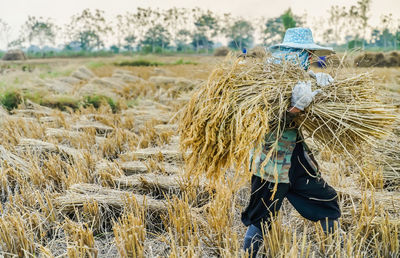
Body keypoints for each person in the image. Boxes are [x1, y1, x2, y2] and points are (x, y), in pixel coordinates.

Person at [241, 27, 341, 257]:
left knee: (328, 202)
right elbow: (266, 121)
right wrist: (296, 108)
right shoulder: (266, 82)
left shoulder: (299, 77)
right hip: (270, 162)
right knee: (261, 216)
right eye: (306, 53)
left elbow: (311, 106)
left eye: (309, 53)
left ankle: (336, 251)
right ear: (294, 52)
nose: (309, 58)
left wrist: (324, 88)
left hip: (296, 161)